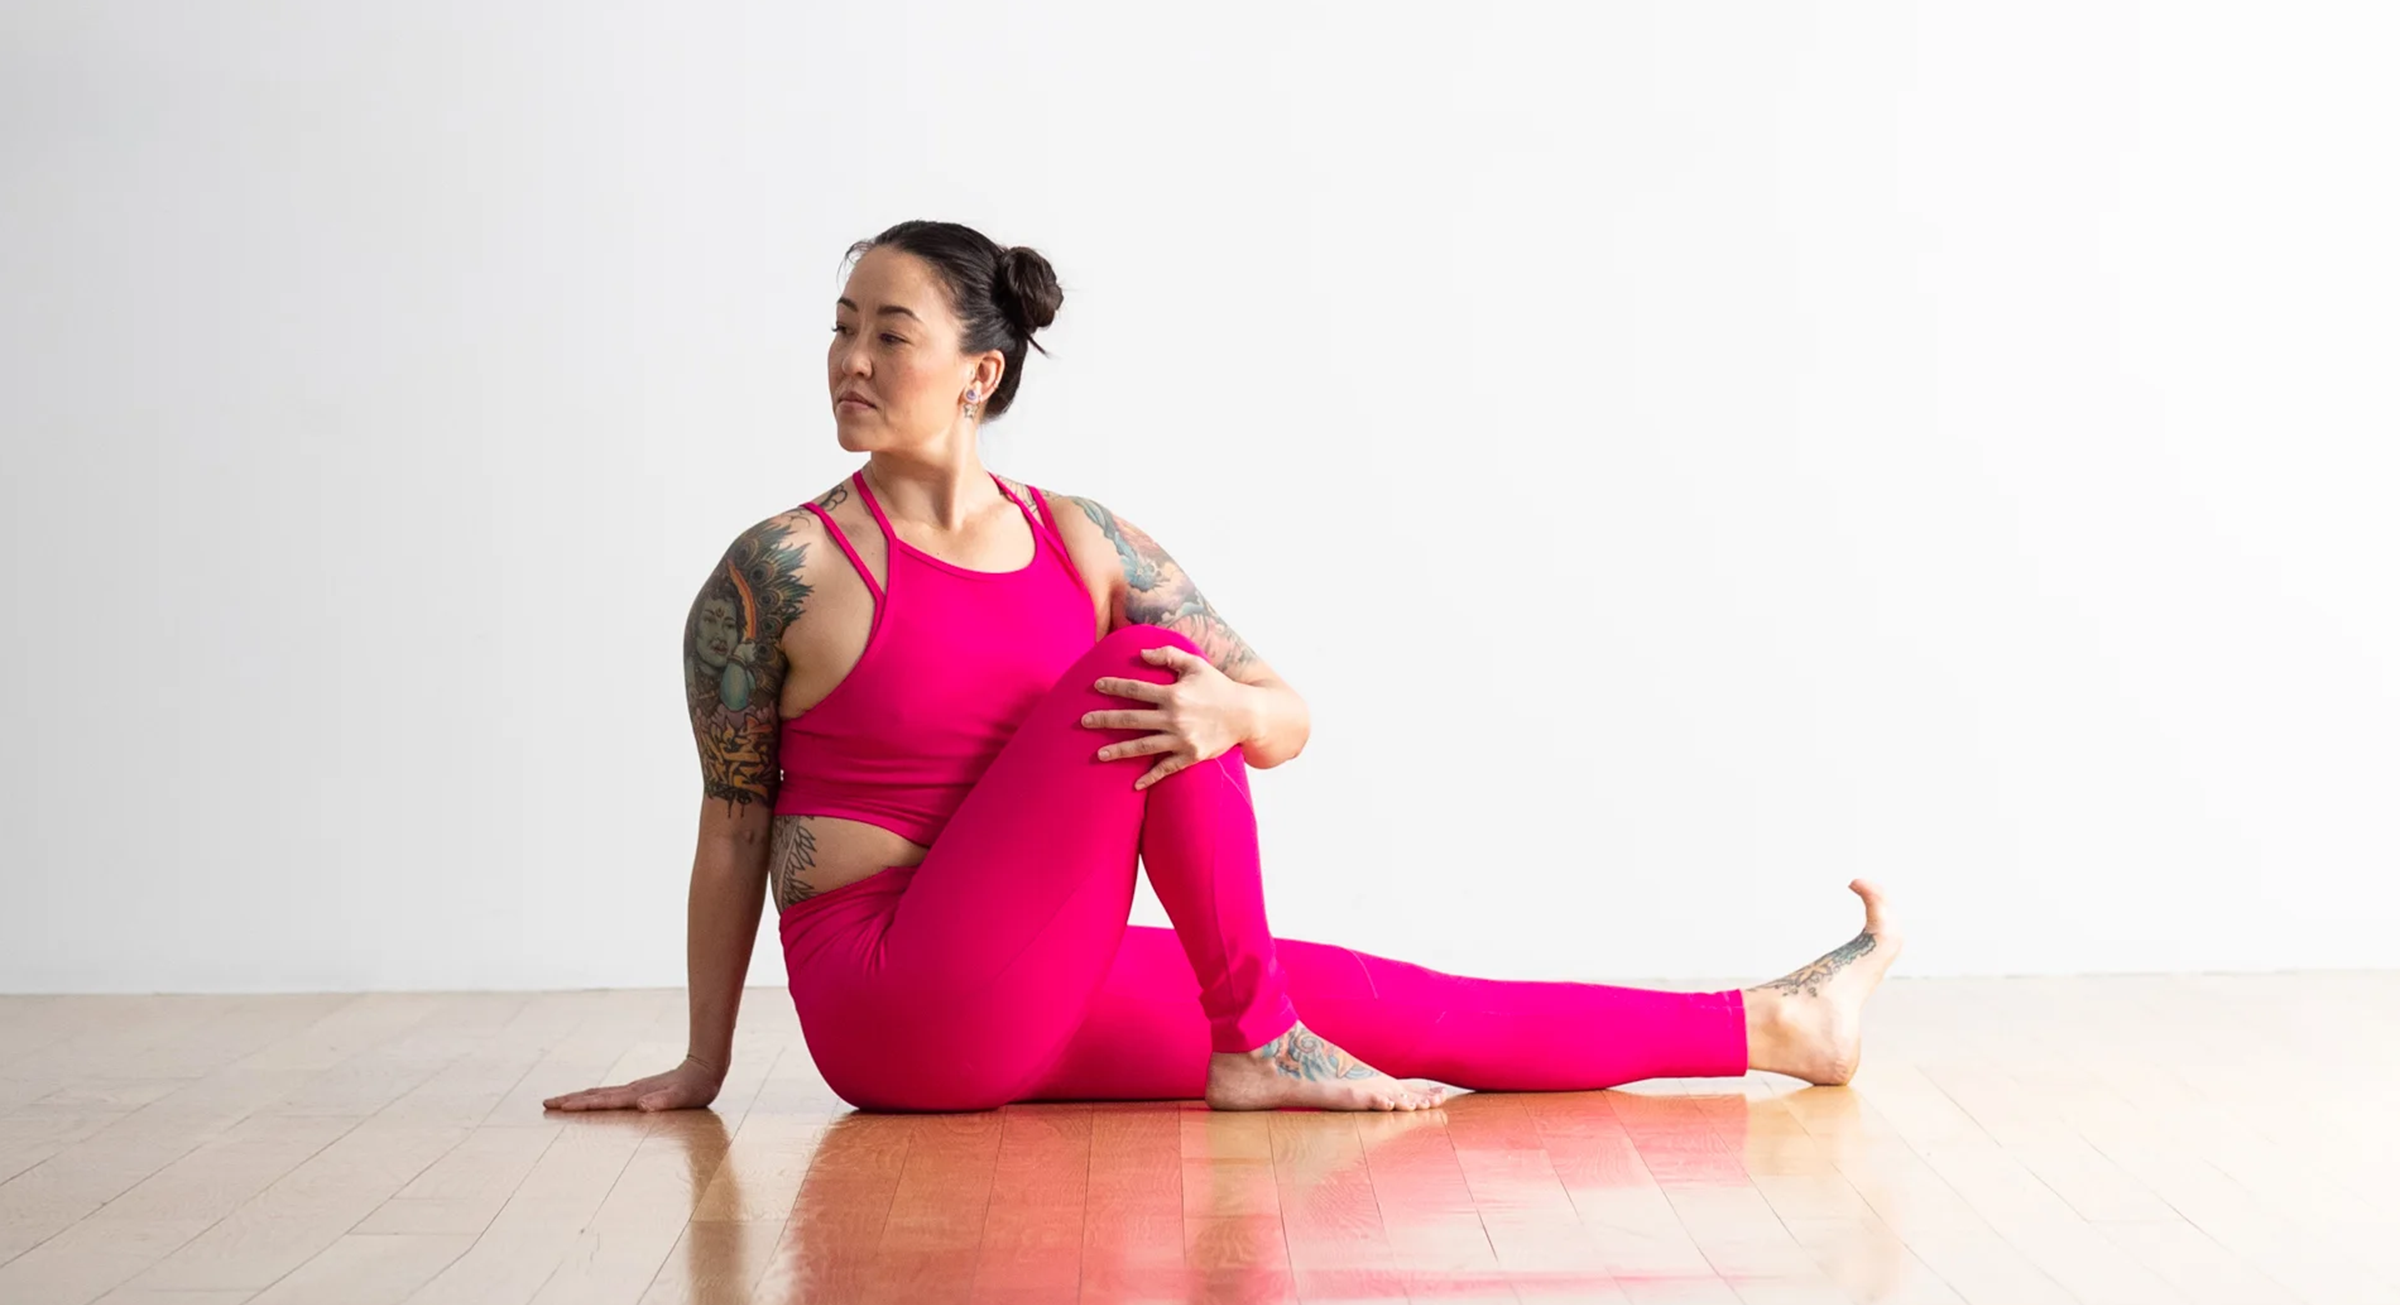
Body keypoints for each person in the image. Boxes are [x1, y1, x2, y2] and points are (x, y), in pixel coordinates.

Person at [544, 220, 1904, 1117]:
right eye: (841, 326)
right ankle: (1258, 1041)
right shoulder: (777, 572)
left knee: (1395, 1002)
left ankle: (1781, 1026)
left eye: (887, 333)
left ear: (979, 370)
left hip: (1035, 974)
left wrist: (1230, 706)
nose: (848, 359)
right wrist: (706, 1062)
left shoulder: (1081, 542)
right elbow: (732, 832)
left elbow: (1285, 718)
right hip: (890, 1000)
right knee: (1147, 665)